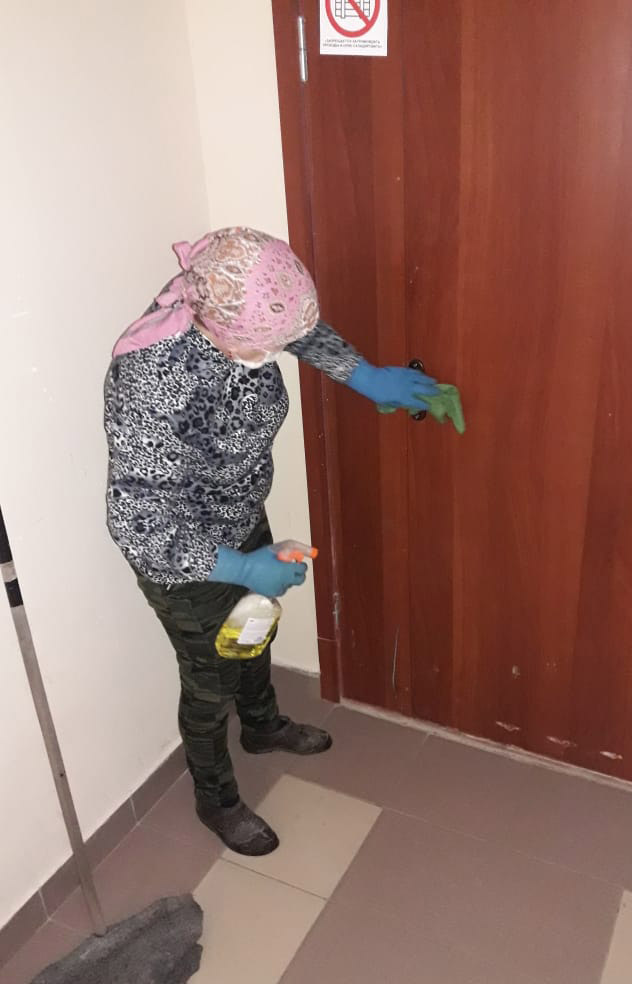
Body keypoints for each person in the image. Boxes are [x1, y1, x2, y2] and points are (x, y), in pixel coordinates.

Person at [104, 227, 437, 856]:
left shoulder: (232, 293)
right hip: (185, 557)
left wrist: (362, 375)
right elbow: (138, 522)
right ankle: (216, 799)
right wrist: (240, 567)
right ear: (219, 329)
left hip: (238, 516)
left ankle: (261, 727)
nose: (276, 353)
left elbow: (288, 324)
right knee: (210, 681)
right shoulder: (152, 380)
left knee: (253, 628)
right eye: (267, 347)